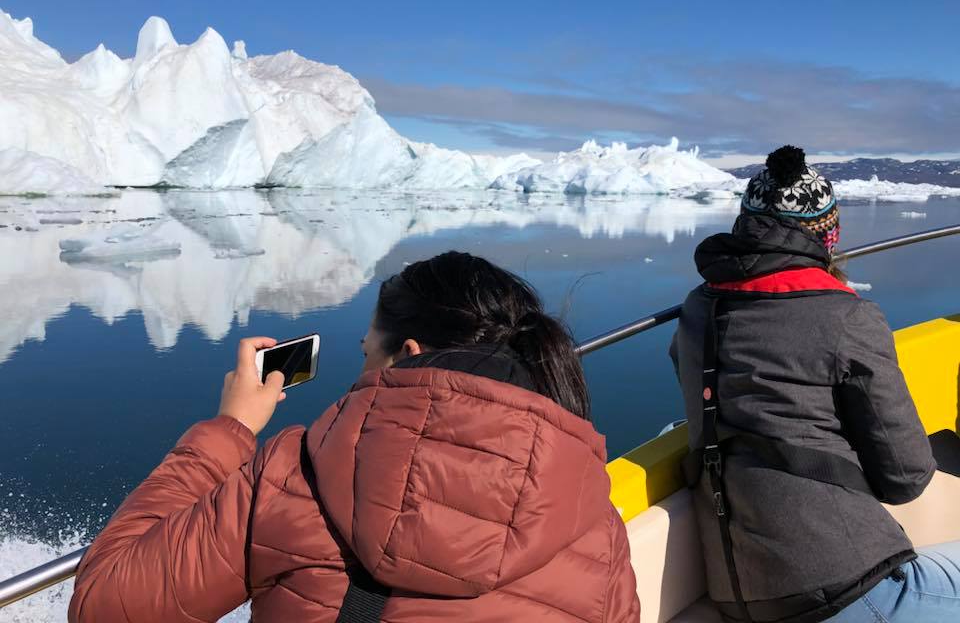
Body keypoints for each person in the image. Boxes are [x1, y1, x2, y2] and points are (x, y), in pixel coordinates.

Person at [68, 251, 641, 623]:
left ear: (408, 355)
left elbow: (103, 607)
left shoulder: (297, 472)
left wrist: (231, 429)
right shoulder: (589, 509)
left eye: (367, 351)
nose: (362, 367)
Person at [670, 146, 960, 623]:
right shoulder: (846, 317)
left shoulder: (696, 309)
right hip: (847, 588)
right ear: (828, 236)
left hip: (739, 592)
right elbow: (906, 479)